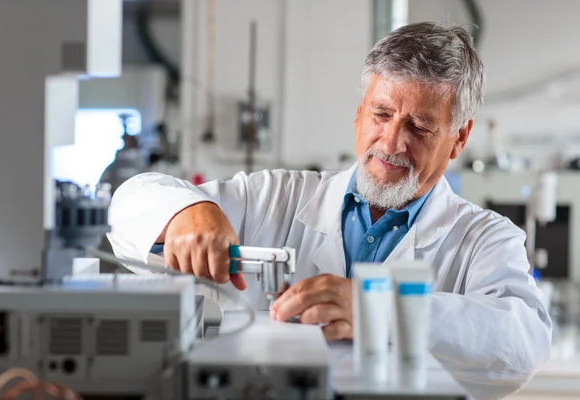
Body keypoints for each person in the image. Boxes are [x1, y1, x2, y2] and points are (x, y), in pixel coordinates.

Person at [107, 23, 551, 399]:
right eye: (381, 114)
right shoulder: (277, 196)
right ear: (359, 114)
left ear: (459, 137)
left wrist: (380, 310)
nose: (391, 143)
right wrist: (190, 209)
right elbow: (129, 206)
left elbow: (521, 346)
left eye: (419, 126)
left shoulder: (486, 238)